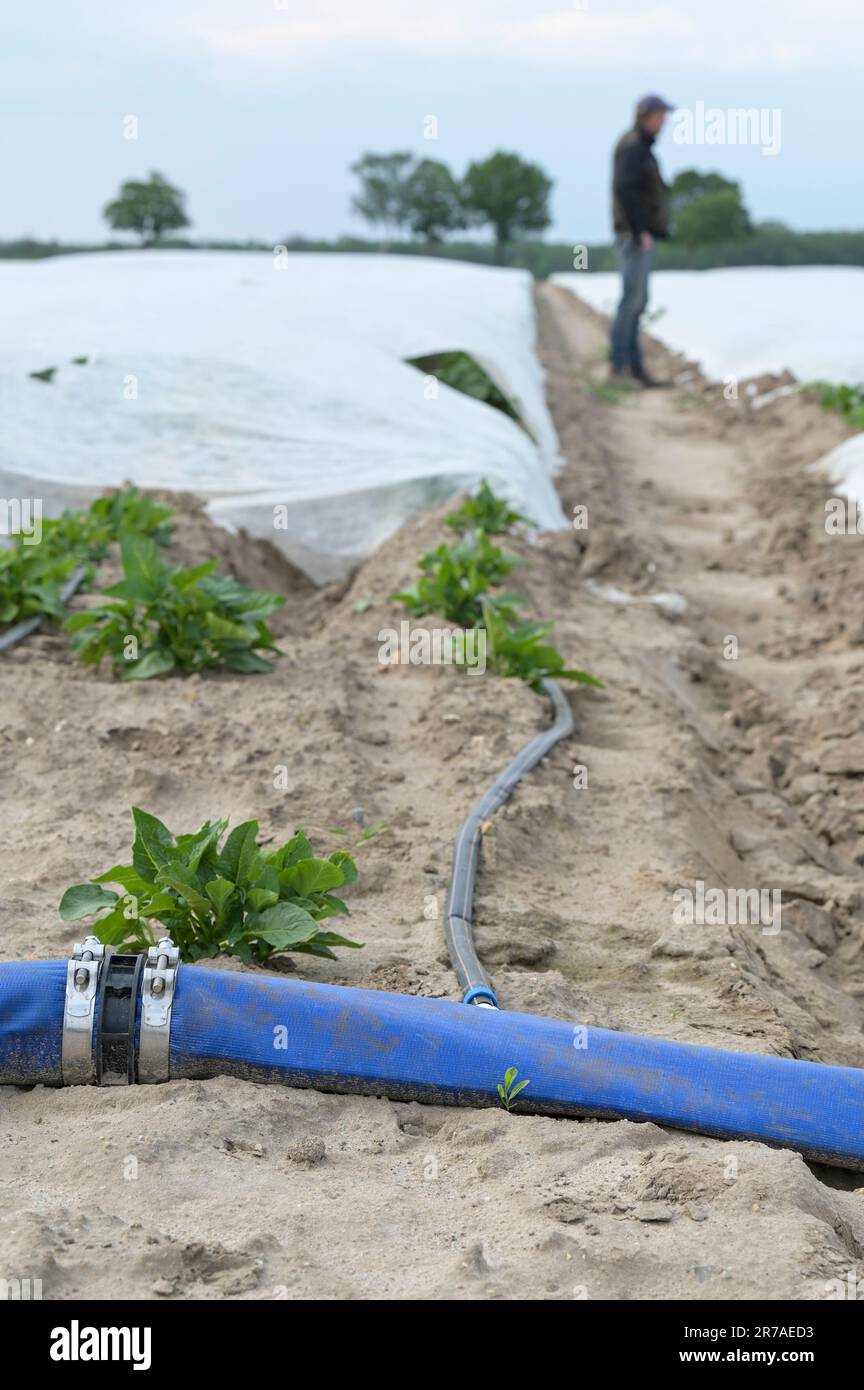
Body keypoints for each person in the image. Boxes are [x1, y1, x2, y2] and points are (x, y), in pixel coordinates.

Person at [609, 94, 674, 387]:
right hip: (635, 237)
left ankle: (634, 368)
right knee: (631, 302)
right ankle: (621, 367)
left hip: (637, 235)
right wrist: (639, 231)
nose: (664, 123)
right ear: (646, 116)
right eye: (660, 117)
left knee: (636, 302)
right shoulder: (634, 148)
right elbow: (625, 189)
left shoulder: (639, 147)